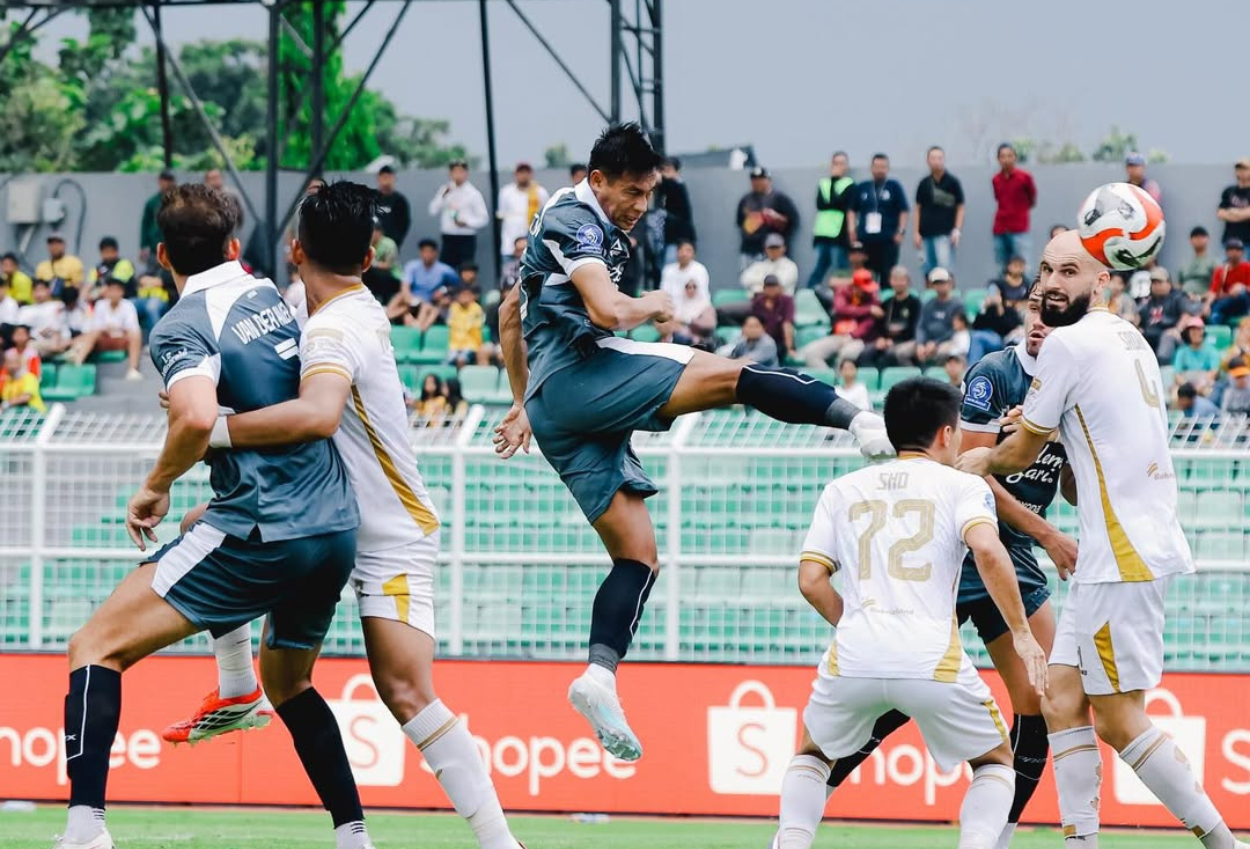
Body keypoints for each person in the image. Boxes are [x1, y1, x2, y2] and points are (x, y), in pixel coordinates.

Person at [492, 124, 892, 762]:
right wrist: (649, 303)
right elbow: (605, 310)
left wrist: (521, 403)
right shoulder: (576, 222)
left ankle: (599, 676)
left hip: (555, 406)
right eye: (631, 192)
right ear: (597, 180)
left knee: (638, 556)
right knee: (733, 375)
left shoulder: (564, 222)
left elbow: (510, 314)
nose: (641, 205)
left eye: (649, 193)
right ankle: (861, 423)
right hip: (583, 375)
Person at [160, 182, 526, 849]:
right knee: (277, 664)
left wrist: (212, 428)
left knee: (406, 691)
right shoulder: (304, 306)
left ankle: (502, 843)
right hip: (322, 513)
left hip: (387, 532)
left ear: (295, 249)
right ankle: (263, 720)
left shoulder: (336, 326)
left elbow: (318, 413)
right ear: (369, 256)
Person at [53, 183, 371, 849]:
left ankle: (84, 830)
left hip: (265, 529)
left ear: (161, 254)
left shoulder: (182, 324)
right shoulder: (269, 295)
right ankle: (353, 835)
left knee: (93, 647)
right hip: (334, 523)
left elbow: (196, 417)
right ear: (234, 246)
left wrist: (156, 485)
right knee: (292, 681)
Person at [958, 229, 1250, 849]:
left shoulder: (1069, 344)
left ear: (1102, 281)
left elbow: (1019, 454)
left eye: (1069, 271)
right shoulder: (1127, 336)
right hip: (1110, 550)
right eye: (1046, 271)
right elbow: (1076, 467)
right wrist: (1043, 432)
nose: (1052, 284)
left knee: (1119, 720)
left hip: (1123, 552)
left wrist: (985, 458)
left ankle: (1226, 843)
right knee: (1061, 698)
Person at [824, 283, 1076, 847]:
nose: (1039, 320)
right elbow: (968, 471)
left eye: (1053, 313)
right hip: (966, 543)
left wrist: (1069, 443)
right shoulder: (996, 374)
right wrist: (1046, 532)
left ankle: (998, 836)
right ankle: (813, 789)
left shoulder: (1076, 387)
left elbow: (1073, 490)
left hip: (1016, 554)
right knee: (899, 694)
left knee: (1043, 701)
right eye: (1034, 308)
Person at [771, 377, 1046, 849]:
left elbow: (811, 581)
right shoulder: (963, 486)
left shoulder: (842, 488)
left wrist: (858, 624)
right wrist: (1021, 633)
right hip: (931, 657)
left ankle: (791, 842)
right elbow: (987, 549)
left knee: (813, 756)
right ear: (946, 433)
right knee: (995, 762)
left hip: (853, 654)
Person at [800, 268, 880, 368]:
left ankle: (839, 377)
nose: (865, 291)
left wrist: (852, 336)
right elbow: (840, 309)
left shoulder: (873, 299)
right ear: (855, 286)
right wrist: (867, 309)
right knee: (811, 353)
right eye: (862, 288)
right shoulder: (843, 292)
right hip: (838, 336)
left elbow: (868, 324)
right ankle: (827, 376)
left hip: (859, 339)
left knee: (847, 354)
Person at [846, 154, 909, 280]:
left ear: (888, 168)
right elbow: (851, 210)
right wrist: (852, 230)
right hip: (865, 240)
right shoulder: (862, 187)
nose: (880, 170)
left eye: (883, 167)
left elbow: (904, 210)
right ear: (871, 168)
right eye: (877, 166)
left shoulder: (894, 186)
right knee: (866, 276)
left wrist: (901, 231)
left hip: (888, 240)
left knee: (887, 275)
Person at [67, 278, 144, 380]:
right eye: (111, 290)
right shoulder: (100, 305)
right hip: (104, 340)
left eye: (117, 290)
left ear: (122, 292)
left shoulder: (128, 306)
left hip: (121, 341)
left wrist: (113, 329)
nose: (114, 294)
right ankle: (78, 362)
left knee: (136, 333)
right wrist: (111, 329)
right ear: (107, 291)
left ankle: (133, 370)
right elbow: (97, 327)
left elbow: (132, 328)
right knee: (94, 332)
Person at [893, 267, 965, 366]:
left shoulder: (958, 305)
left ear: (949, 283)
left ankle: (938, 375)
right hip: (927, 342)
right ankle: (914, 374)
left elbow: (955, 329)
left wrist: (936, 343)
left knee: (943, 353)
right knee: (902, 352)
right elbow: (921, 326)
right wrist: (920, 344)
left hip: (948, 341)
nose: (940, 286)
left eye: (942, 282)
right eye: (936, 283)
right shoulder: (928, 305)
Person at [805, 151, 855, 289]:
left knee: (840, 266)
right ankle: (810, 291)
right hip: (822, 232)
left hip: (839, 234)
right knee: (820, 265)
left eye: (842, 163)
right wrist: (833, 181)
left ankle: (843, 295)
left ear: (846, 166)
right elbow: (820, 204)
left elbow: (841, 203)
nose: (838, 166)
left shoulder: (850, 184)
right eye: (836, 163)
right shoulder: (824, 183)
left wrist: (835, 182)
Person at [913, 146, 966, 276]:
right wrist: (916, 232)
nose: (936, 161)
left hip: (945, 234)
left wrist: (957, 230)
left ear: (944, 160)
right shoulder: (924, 183)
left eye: (939, 158)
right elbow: (918, 208)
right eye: (933, 158)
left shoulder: (953, 182)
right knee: (927, 270)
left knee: (945, 271)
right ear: (928, 161)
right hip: (926, 235)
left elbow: (960, 207)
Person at [429, 160, 489, 268]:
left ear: (466, 173)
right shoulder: (445, 190)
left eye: (461, 171)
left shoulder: (473, 193)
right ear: (450, 173)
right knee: (446, 268)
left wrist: (467, 223)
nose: (458, 175)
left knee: (465, 268)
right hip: (448, 236)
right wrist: (443, 196)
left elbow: (484, 218)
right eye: (455, 171)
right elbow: (433, 210)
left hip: (466, 236)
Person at [735, 166, 800, 267]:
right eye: (754, 180)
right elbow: (740, 222)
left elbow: (793, 221)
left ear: (768, 180)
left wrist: (775, 218)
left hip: (772, 251)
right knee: (748, 275)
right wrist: (753, 220)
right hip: (749, 250)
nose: (757, 183)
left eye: (760, 179)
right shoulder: (746, 200)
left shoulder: (779, 198)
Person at [860, 266, 922, 369]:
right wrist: (881, 339)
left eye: (901, 279)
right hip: (886, 341)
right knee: (866, 353)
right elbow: (879, 326)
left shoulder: (915, 303)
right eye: (895, 279)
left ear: (908, 281)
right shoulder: (886, 303)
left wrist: (894, 341)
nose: (898, 283)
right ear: (890, 281)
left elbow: (915, 327)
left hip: (906, 341)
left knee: (889, 355)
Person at [391, 239, 460, 330]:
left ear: (435, 253)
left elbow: (457, 286)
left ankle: (419, 327)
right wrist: (412, 301)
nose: (427, 255)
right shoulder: (412, 266)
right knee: (399, 296)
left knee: (427, 308)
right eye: (424, 252)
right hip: (412, 301)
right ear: (420, 253)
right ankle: (388, 316)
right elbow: (405, 287)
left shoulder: (445, 270)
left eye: (430, 252)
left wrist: (443, 290)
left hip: (430, 302)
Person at [991, 143, 1037, 273]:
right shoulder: (996, 179)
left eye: (1009, 156)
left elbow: (1032, 199)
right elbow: (998, 198)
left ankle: (1027, 287)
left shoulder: (1024, 177)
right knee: (1001, 266)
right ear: (998, 159)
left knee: (1024, 265)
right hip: (1000, 227)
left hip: (1019, 228)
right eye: (1003, 156)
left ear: (1015, 157)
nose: (1006, 159)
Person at [496, 163, 550, 266]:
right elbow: (501, 215)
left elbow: (546, 216)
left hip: (532, 243)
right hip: (509, 242)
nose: (524, 175)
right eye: (521, 172)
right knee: (509, 271)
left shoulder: (540, 192)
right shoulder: (506, 192)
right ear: (515, 174)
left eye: (526, 172)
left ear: (531, 174)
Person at [1139, 270, 1190, 364]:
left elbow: (1186, 315)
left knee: (1167, 336)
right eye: (1154, 283)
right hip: (1150, 335)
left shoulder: (1178, 297)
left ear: (1169, 283)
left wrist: (1177, 329)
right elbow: (1139, 318)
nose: (1156, 286)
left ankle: (1162, 365)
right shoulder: (1148, 301)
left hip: (1171, 335)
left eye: (1159, 282)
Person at [967, 285, 1023, 366]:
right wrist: (984, 308)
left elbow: (1010, 327)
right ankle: (973, 367)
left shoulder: (1009, 311)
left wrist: (999, 308)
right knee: (975, 336)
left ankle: (973, 366)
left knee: (977, 337)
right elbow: (976, 326)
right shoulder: (987, 311)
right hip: (986, 337)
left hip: (1002, 338)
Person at [656, 278, 715, 348]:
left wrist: (688, 321)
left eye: (694, 287)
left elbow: (708, 325)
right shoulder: (679, 303)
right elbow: (675, 319)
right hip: (680, 333)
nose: (691, 290)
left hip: (699, 335)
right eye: (688, 287)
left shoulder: (705, 305)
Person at [657, 157, 696, 265]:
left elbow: (663, 181)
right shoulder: (673, 186)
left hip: (678, 239)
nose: (664, 174)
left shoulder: (677, 186)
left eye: (668, 170)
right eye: (663, 170)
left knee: (671, 267)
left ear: (677, 172)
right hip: (671, 239)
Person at [17, 279, 69, 358]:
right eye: (35, 290)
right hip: (36, 341)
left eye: (41, 289)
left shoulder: (58, 305)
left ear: (48, 290)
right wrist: (37, 333)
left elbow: (59, 326)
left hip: (58, 340)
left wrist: (49, 332)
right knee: (28, 346)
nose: (38, 293)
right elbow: (21, 330)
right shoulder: (25, 310)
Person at [749, 275, 797, 359]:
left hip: (779, 340)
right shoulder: (758, 302)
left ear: (779, 287)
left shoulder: (787, 301)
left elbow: (787, 324)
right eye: (768, 286)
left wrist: (790, 348)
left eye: (774, 286)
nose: (771, 289)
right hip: (761, 339)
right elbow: (754, 322)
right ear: (764, 288)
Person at [1172, 317, 1221, 396]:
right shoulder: (1181, 352)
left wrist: (1201, 384)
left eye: (1199, 330)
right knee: (1175, 395)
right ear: (1188, 333)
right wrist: (1188, 387)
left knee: (1210, 393)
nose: (1196, 333)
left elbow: (1214, 372)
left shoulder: (1212, 351)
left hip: (1205, 384)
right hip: (1186, 384)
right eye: (1193, 330)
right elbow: (1177, 374)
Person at [139, 169, 177, 270]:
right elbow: (145, 224)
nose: (168, 183)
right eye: (165, 180)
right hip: (155, 248)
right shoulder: (152, 202)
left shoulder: (179, 201)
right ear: (159, 181)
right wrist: (143, 246)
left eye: (170, 180)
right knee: (153, 273)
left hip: (175, 247)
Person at [1209, 238, 1250, 324]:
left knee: (1241, 294)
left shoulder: (1247, 267)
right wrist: (1207, 305)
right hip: (1225, 304)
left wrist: (1242, 287)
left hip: (1242, 303)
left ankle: (1216, 313)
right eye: (1231, 249)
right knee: (1213, 308)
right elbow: (1213, 292)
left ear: (1242, 252)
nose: (1234, 252)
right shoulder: (1220, 270)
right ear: (1226, 252)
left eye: (1238, 250)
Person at [85, 237, 137, 302]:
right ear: (101, 252)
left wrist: (92, 296)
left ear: (116, 251)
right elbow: (88, 286)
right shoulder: (98, 268)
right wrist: (85, 295)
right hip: (104, 302)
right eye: (106, 251)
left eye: (111, 251)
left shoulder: (124, 264)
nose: (109, 254)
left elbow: (113, 287)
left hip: (126, 301)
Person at [363, 220, 402, 306]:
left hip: (392, 275)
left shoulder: (389, 244)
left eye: (372, 231)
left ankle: (385, 302)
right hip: (374, 272)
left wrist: (374, 264)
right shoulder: (367, 242)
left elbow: (389, 265)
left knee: (379, 274)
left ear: (379, 232)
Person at [373, 164, 412, 251]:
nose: (386, 181)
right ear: (378, 179)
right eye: (383, 177)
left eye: (388, 177)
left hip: (391, 244)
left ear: (394, 179)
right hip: (372, 244)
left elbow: (404, 223)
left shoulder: (400, 200)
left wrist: (395, 242)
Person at [447, 286, 487, 367]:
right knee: (447, 362)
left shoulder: (477, 309)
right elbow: (450, 322)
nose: (464, 297)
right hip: (454, 345)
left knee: (461, 359)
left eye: (466, 295)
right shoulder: (454, 307)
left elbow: (475, 325)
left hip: (471, 345)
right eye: (461, 295)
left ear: (471, 296)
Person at [1216, 158, 1250, 249]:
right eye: (1238, 168)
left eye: (1244, 168)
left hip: (1248, 242)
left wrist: (1233, 212)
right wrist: (1243, 214)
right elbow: (1220, 213)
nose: (1240, 171)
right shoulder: (1229, 191)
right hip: (1229, 242)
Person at [0, 347, 45, 413]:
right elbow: (4, 397)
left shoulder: (29, 377)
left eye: (15, 363)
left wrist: (7, 403)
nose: (12, 366)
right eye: (9, 363)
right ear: (5, 365)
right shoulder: (7, 380)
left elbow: (26, 397)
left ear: (20, 363)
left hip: (35, 413)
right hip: (16, 415)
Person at [1177, 226, 1218, 298]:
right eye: (1195, 236)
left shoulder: (1213, 263)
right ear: (1190, 241)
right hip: (1183, 298)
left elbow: (1218, 285)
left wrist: (1202, 297)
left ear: (1208, 240)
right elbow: (1179, 284)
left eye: (1202, 236)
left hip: (1203, 299)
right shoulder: (1184, 264)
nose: (1199, 239)